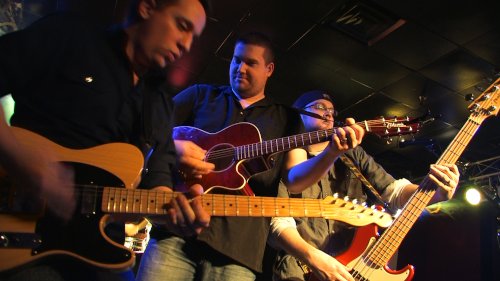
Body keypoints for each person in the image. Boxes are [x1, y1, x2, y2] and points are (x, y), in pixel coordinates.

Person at [0, 0, 209, 280]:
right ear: (148, 7)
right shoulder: (71, 36)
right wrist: (21, 161)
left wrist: (177, 215)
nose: (186, 44)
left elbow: (156, 186)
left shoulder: (160, 104)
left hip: (95, 249)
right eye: (182, 26)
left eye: (193, 37)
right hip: (20, 234)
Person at [135, 33, 365, 281]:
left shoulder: (287, 118)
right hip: (176, 230)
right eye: (236, 60)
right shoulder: (200, 95)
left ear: (269, 69)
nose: (240, 68)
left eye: (250, 63)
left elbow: (294, 179)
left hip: (239, 249)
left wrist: (332, 152)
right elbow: (148, 129)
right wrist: (175, 149)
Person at [268, 90, 460, 281]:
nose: (328, 113)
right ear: (299, 114)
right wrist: (315, 259)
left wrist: (434, 193)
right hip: (301, 267)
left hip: (352, 269)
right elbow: (278, 221)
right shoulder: (282, 157)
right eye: (319, 107)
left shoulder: (353, 154)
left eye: (332, 111)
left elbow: (393, 192)